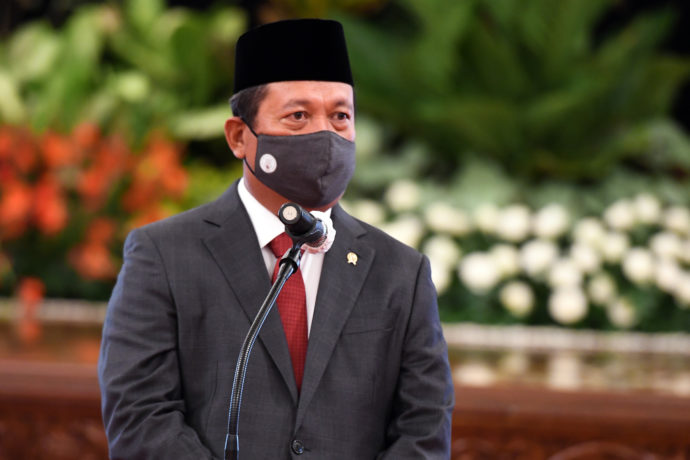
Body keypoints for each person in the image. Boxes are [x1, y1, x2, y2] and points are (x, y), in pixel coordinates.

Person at [98, 18, 454, 459]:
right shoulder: (164, 255)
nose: (325, 135)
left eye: (340, 116)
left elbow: (424, 426)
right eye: (298, 116)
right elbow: (139, 416)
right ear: (239, 137)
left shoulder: (400, 270)